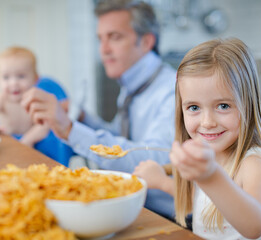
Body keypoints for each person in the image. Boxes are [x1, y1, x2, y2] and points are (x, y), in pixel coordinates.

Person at [21, 0, 176, 219]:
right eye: (100, 39)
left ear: (147, 41)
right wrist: (83, 118)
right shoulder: (132, 85)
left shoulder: (173, 91)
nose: (103, 50)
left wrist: (69, 129)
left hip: (165, 218)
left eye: (115, 37)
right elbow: (122, 138)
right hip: (135, 209)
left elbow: (150, 161)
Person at [133, 38, 261, 239]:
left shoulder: (254, 163)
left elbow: (254, 226)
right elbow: (204, 203)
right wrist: (162, 182)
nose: (207, 122)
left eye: (223, 106)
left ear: (248, 105)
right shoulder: (212, 154)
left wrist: (210, 176)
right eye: (194, 108)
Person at [0, 46, 73, 166]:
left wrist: (28, 140)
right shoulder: (0, 98)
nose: (13, 83)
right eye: (6, 77)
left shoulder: (34, 99)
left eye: (21, 76)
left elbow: (43, 126)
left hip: (34, 143)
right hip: (9, 143)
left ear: (35, 79)